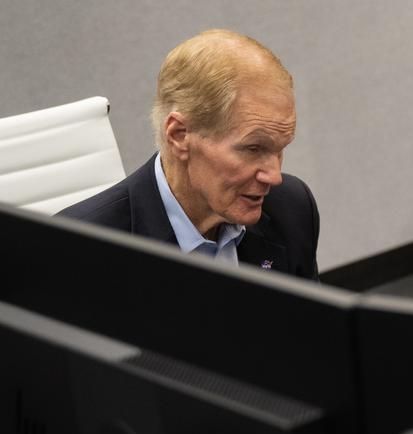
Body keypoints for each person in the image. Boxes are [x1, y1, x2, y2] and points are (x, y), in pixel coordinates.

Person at [59, 29, 318, 279]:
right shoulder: (78, 250)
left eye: (279, 149)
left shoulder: (292, 208)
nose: (274, 177)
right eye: (253, 149)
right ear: (179, 135)